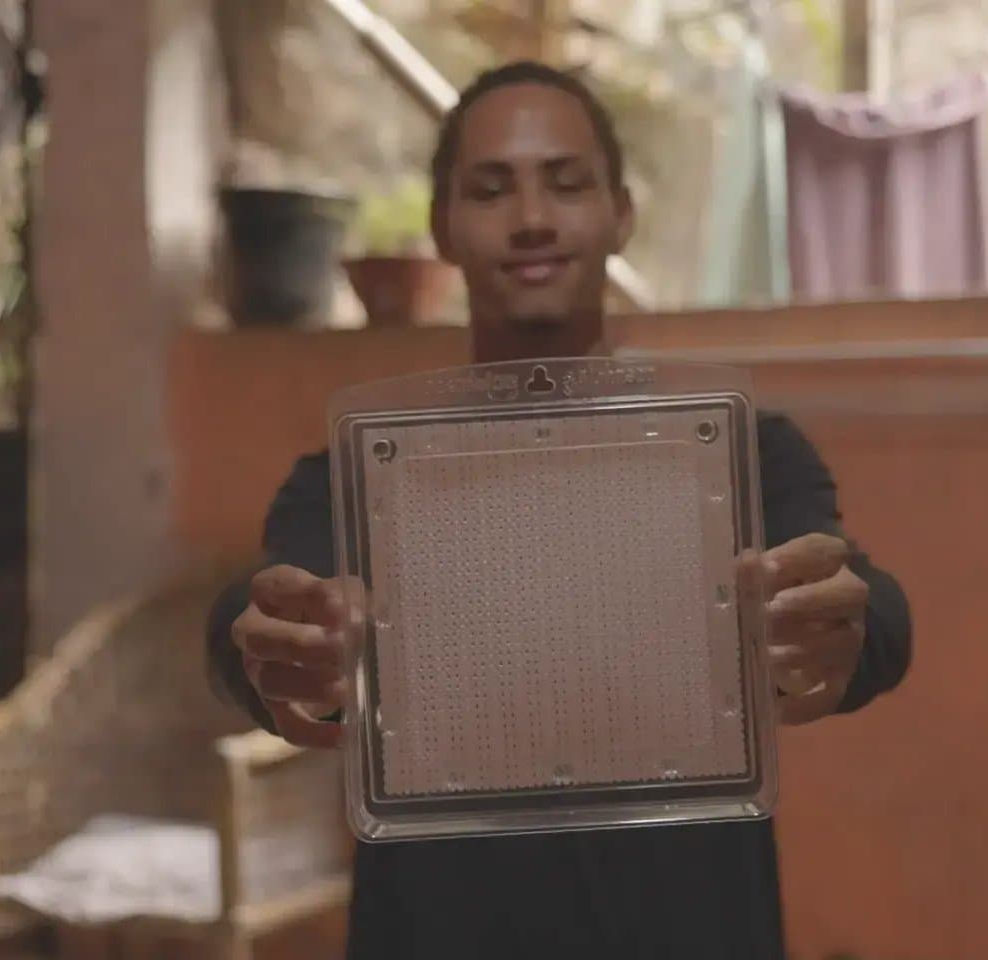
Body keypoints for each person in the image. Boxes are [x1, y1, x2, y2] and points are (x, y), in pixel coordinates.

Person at [207, 60, 912, 959]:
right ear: (442, 227)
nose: (532, 218)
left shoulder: (741, 456)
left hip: (691, 927)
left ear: (622, 212)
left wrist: (844, 631)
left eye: (567, 183)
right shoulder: (355, 476)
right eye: (491, 189)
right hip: (441, 932)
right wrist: (272, 645)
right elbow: (253, 613)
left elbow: (870, 602)